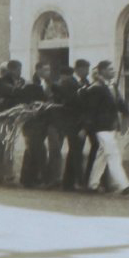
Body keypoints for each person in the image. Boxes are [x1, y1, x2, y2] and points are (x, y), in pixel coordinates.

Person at [82, 60, 129, 195]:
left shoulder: (112, 86)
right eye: (110, 69)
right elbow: (91, 110)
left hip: (111, 127)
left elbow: (120, 104)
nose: (113, 71)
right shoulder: (96, 88)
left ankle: (92, 184)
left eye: (113, 69)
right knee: (113, 154)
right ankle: (124, 185)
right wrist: (86, 128)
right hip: (101, 127)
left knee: (102, 156)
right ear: (102, 71)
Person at [55, 60, 91, 191]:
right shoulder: (67, 83)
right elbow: (68, 102)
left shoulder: (86, 83)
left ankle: (67, 182)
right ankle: (80, 182)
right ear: (78, 69)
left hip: (81, 121)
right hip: (71, 121)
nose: (87, 72)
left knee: (74, 151)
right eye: (86, 69)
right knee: (76, 152)